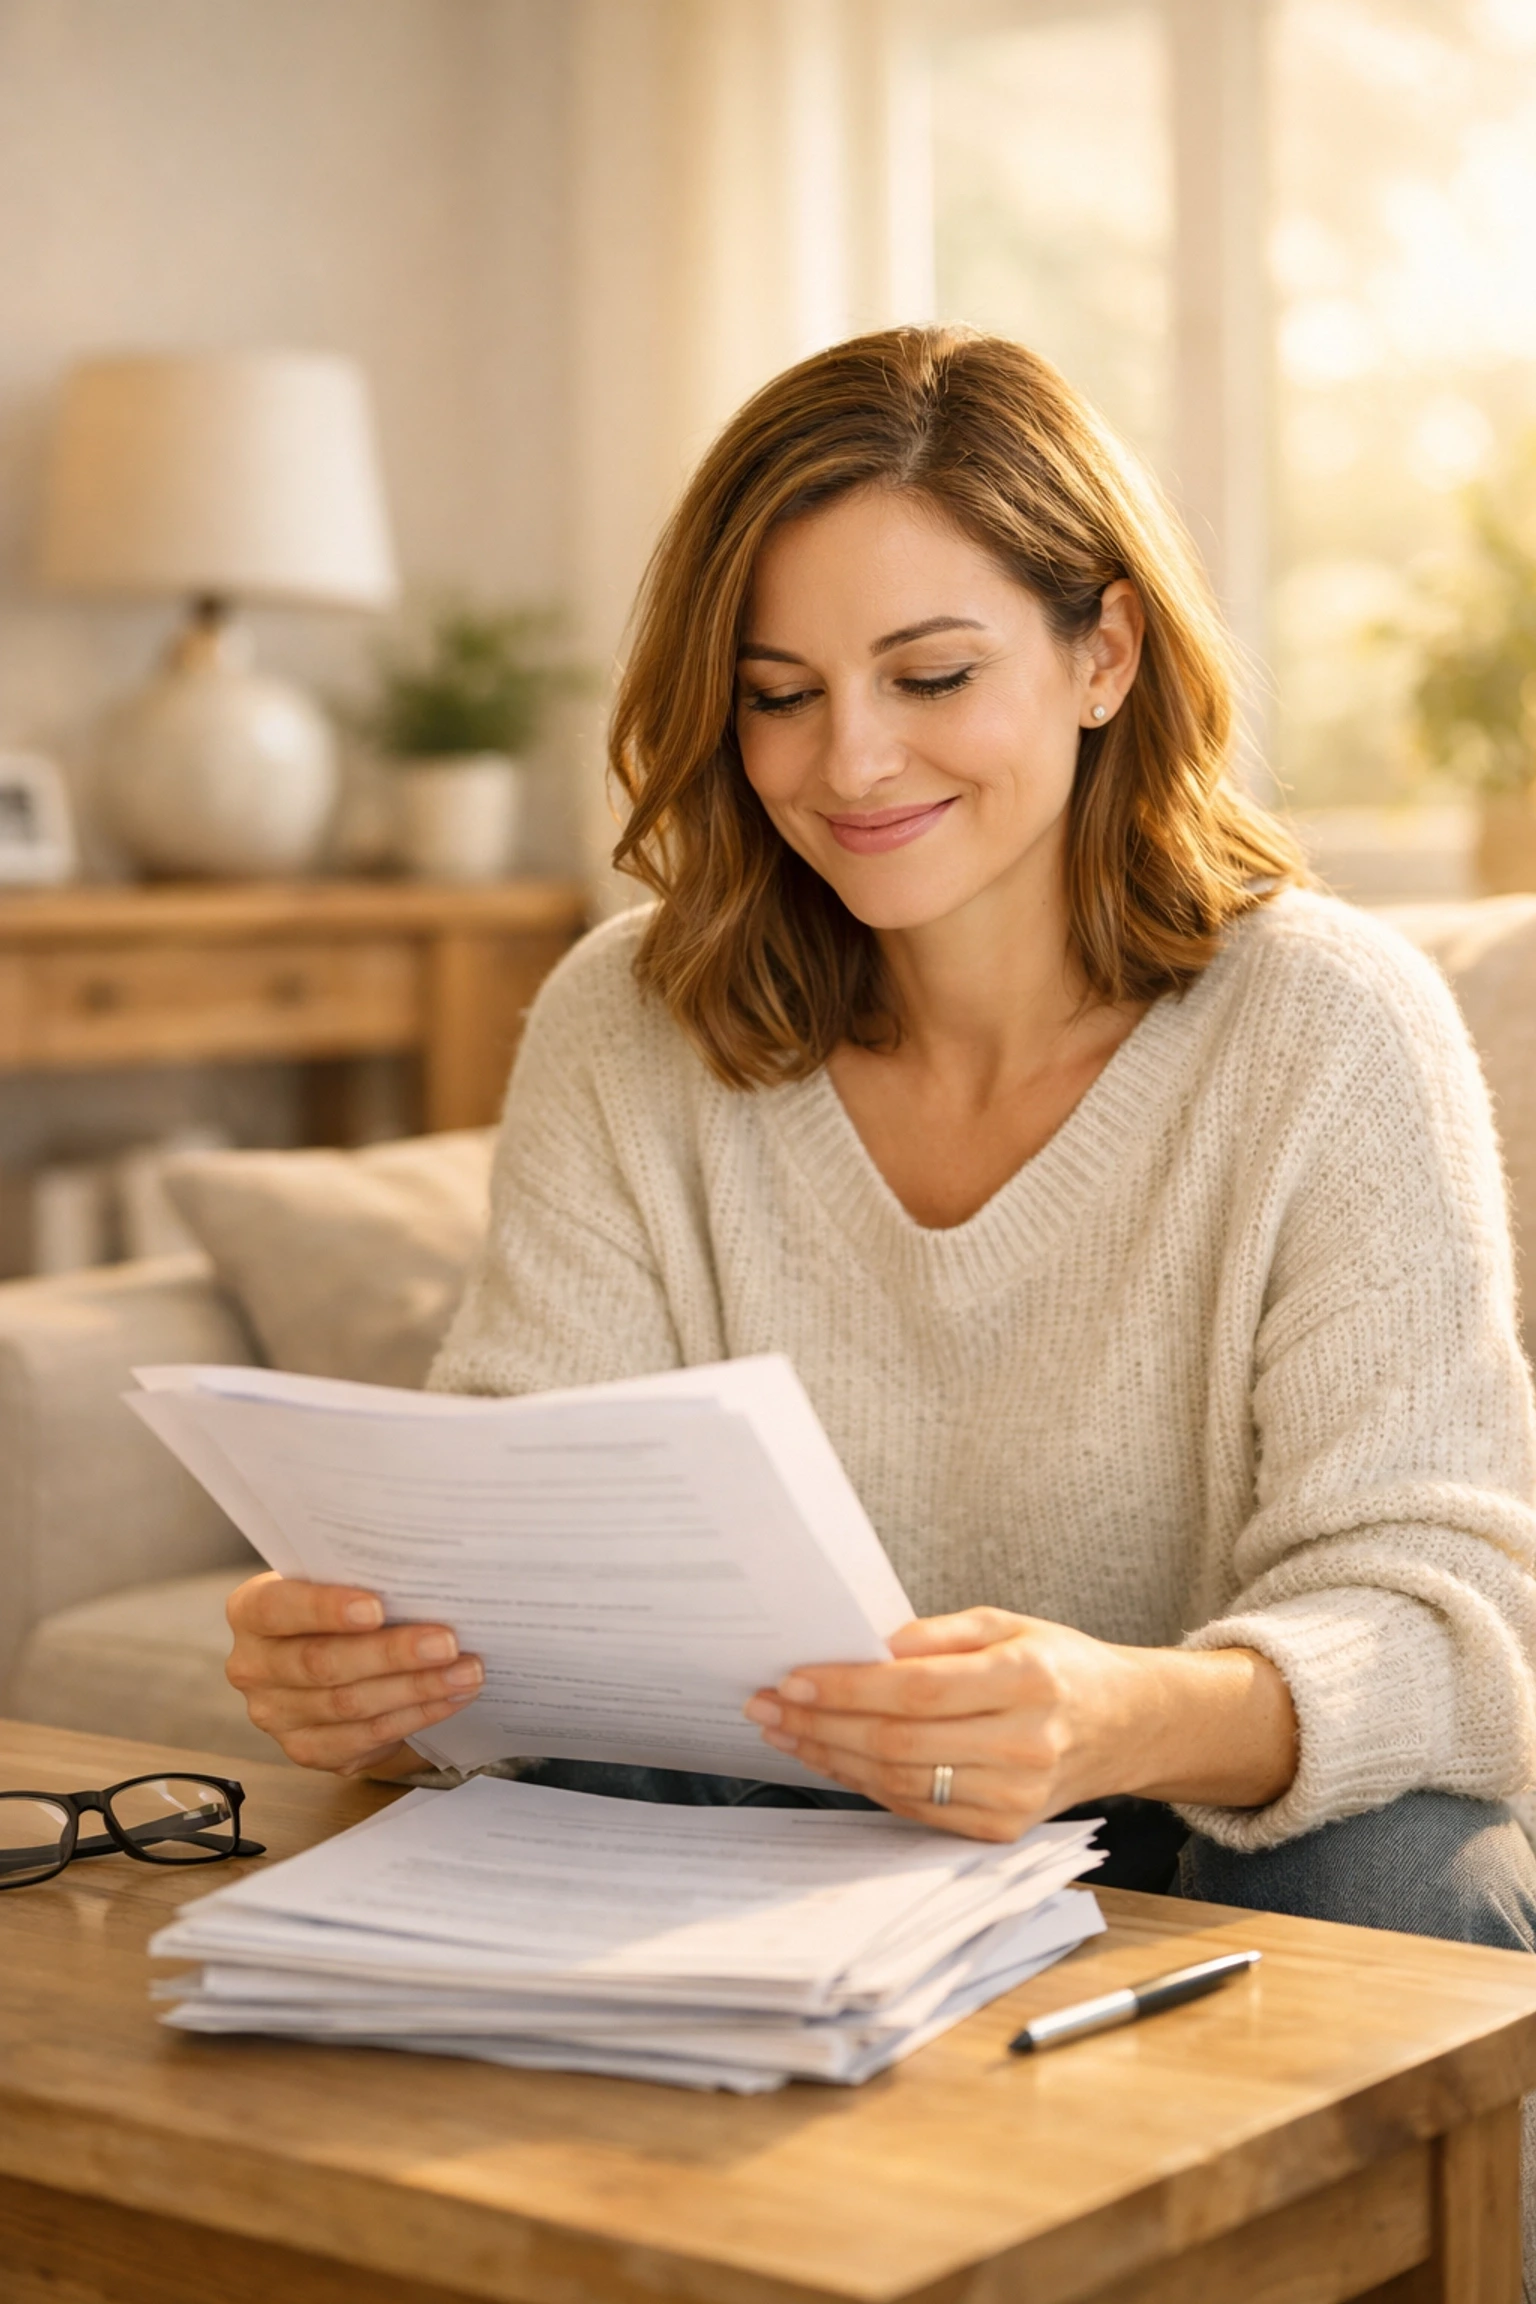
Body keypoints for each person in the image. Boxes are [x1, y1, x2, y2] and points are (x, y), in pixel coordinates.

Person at [224, 326, 1536, 1954]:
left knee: (1405, 1874)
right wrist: (387, 1663)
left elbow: (1450, 1632)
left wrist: (1117, 1714)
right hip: (766, 1798)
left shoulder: (1332, 1028)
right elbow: (520, 1525)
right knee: (503, 1810)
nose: (848, 762)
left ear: (1105, 655)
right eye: (780, 696)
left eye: (931, 678)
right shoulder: (626, 1021)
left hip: (1202, 1820)